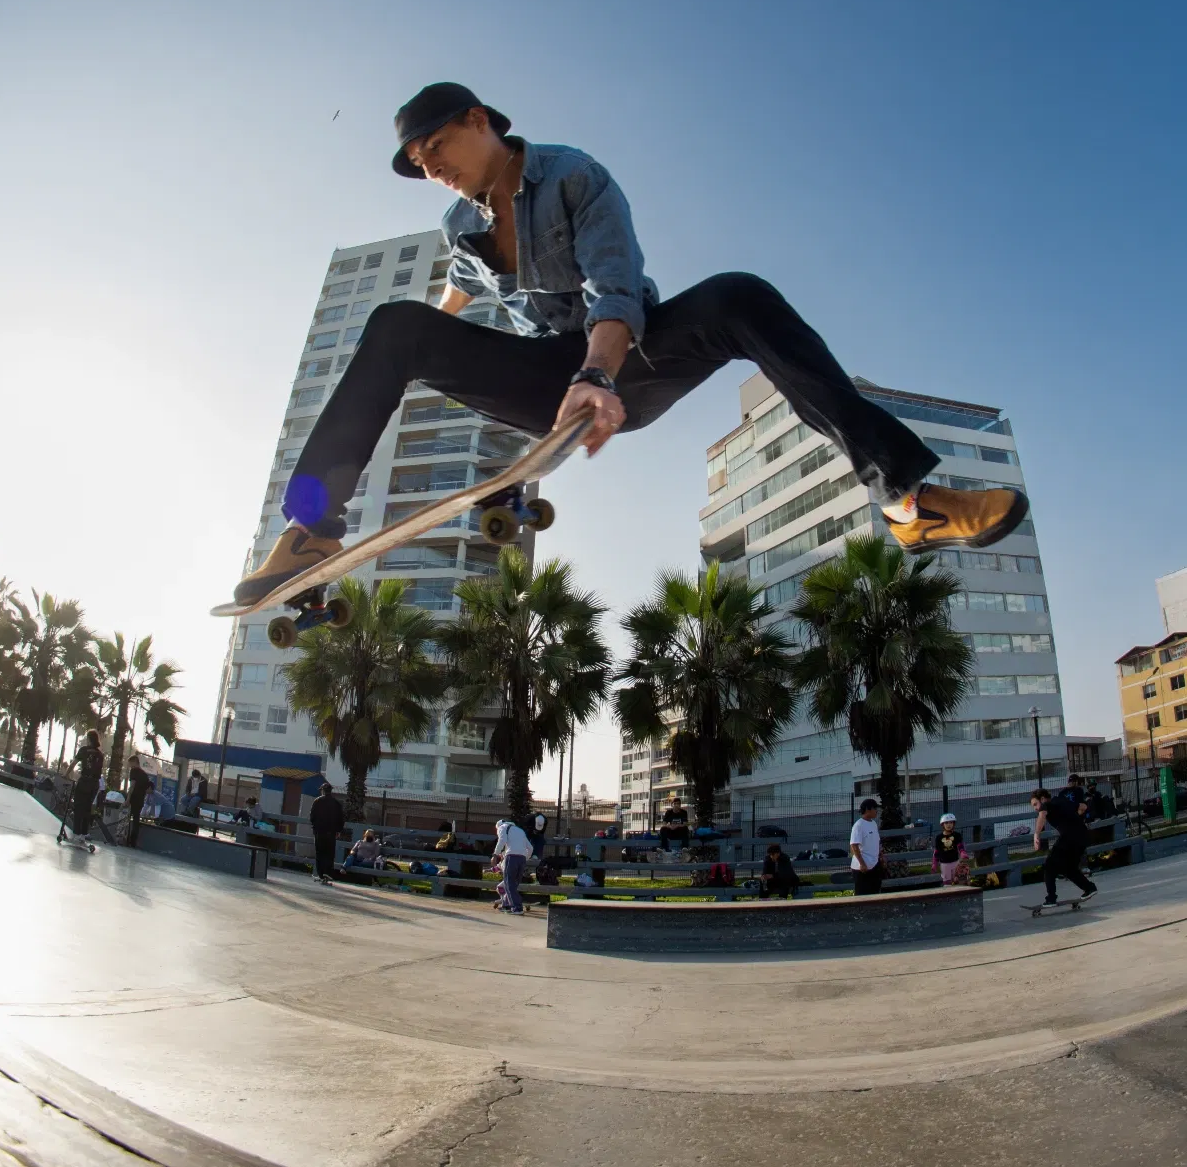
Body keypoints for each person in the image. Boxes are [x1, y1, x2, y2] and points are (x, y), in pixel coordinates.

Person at [230, 84, 1029, 610]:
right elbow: (457, 295)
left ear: (479, 120)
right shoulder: (460, 224)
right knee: (394, 325)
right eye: (417, 163)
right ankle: (311, 528)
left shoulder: (574, 177)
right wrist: (413, 349)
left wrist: (596, 371)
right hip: (541, 377)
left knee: (740, 295)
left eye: (435, 146)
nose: (430, 167)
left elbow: (614, 287)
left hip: (632, 359)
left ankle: (909, 501)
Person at [1031, 784, 1097, 905]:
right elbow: (1083, 807)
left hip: (1069, 837)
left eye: (1035, 804)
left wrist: (1036, 834)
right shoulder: (1061, 800)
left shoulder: (1046, 804)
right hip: (1082, 836)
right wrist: (1072, 817)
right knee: (1068, 868)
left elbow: (1042, 815)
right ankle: (1089, 888)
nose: (1035, 808)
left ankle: (1051, 898)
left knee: (1049, 865)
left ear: (1042, 799)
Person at [65, 730, 103, 846]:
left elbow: (73, 763)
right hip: (94, 783)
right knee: (87, 809)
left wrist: (66, 774)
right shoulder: (100, 754)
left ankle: (76, 833)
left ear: (89, 739)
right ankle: (83, 835)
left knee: (78, 807)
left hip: (84, 781)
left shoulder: (84, 750)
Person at [491, 817, 533, 914]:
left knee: (509, 884)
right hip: (522, 859)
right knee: (513, 885)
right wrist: (525, 858)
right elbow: (530, 848)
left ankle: (517, 908)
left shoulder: (502, 827)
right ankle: (507, 905)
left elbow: (502, 840)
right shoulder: (520, 831)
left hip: (511, 857)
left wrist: (495, 855)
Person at [308, 782, 345, 884]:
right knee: (329, 853)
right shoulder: (336, 803)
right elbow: (341, 818)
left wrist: (315, 827)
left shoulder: (317, 801)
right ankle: (327, 873)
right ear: (331, 791)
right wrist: (338, 830)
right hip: (331, 833)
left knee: (319, 853)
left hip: (319, 832)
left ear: (322, 790)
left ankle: (320, 874)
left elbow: (312, 816)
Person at [849, 797, 885, 896]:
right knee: (862, 895)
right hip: (862, 868)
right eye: (874, 808)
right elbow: (854, 845)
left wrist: (881, 856)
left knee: (875, 892)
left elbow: (876, 841)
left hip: (875, 864)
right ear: (868, 809)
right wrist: (862, 863)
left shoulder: (873, 824)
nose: (876, 811)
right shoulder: (858, 825)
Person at [931, 812, 969, 886]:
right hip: (944, 864)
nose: (949, 825)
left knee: (957, 881)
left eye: (951, 822)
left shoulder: (957, 835)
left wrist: (963, 853)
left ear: (953, 824)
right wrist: (934, 864)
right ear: (942, 824)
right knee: (947, 883)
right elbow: (937, 852)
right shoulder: (939, 838)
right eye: (946, 823)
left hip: (955, 862)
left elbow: (960, 846)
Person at [125, 757, 151, 848]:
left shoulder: (134, 771)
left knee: (127, 819)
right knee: (136, 820)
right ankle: (133, 841)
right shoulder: (145, 774)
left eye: (130, 763)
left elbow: (132, 786)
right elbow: (147, 790)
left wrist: (127, 799)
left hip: (133, 798)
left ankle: (126, 839)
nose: (129, 766)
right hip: (140, 799)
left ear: (134, 762)